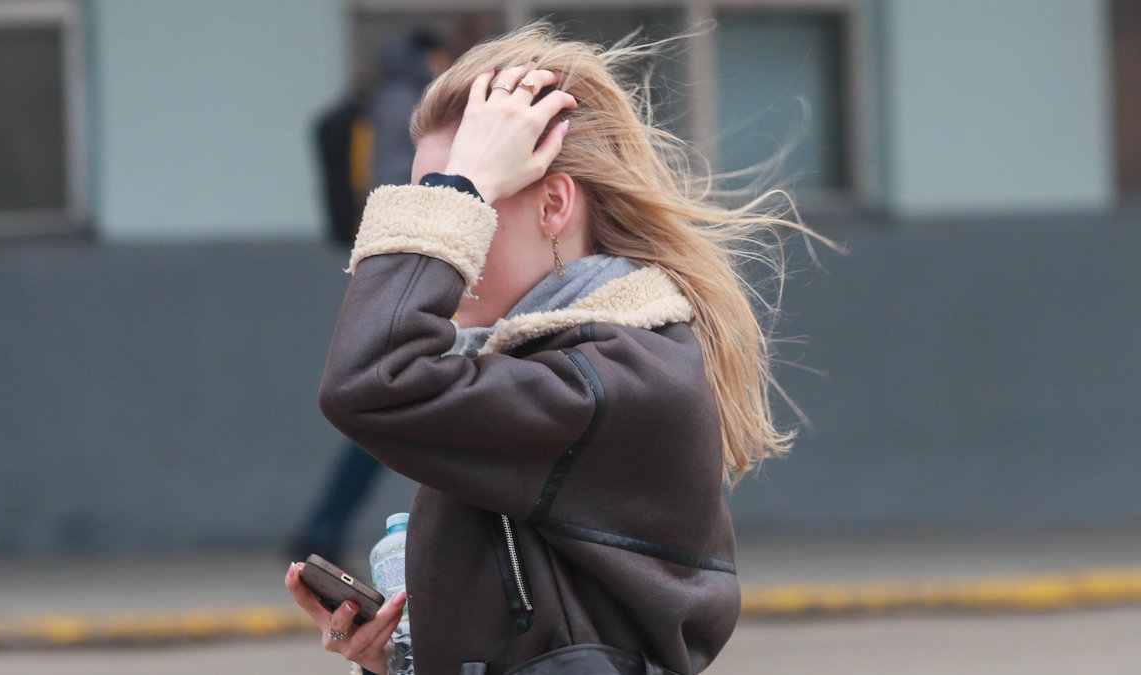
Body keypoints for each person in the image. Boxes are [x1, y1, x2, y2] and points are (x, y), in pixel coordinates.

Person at [286, 23, 822, 675]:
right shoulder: (548, 365)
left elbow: (366, 382)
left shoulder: (610, 379)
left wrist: (461, 185)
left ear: (553, 205)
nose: (450, 227)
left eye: (469, 199)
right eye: (437, 198)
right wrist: (400, 660)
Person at [289, 28, 453, 564]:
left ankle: (324, 528)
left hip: (401, 271)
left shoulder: (385, 97)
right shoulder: (408, 104)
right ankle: (324, 528)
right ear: (430, 56)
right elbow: (400, 188)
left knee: (392, 405)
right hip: (416, 270)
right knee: (392, 404)